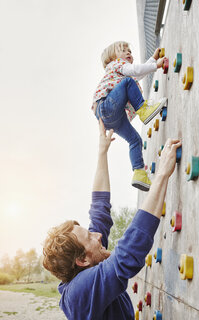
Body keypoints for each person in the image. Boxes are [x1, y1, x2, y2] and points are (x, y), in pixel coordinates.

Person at [43, 119, 181, 320]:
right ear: (82, 260)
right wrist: (161, 175)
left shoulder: (89, 263)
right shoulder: (79, 295)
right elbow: (125, 258)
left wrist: (102, 151)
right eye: (90, 237)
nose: (98, 235)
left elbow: (99, 212)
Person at [92, 41, 168, 191]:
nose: (128, 53)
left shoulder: (120, 74)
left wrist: (152, 60)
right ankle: (144, 110)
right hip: (106, 106)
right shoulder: (115, 65)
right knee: (128, 82)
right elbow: (135, 70)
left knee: (135, 140)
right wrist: (156, 65)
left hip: (110, 118)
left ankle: (139, 173)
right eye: (123, 50)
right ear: (113, 57)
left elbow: (138, 73)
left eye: (130, 51)